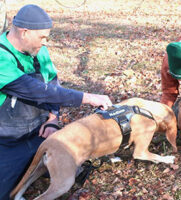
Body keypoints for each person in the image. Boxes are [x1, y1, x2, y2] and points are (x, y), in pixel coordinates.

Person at [0, 4, 112, 200]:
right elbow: (35, 90)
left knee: (72, 170)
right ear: (25, 32)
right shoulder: (1, 58)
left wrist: (53, 118)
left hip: (40, 132)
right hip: (8, 142)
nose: (45, 42)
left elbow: (51, 84)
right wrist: (87, 97)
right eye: (42, 37)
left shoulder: (38, 51)